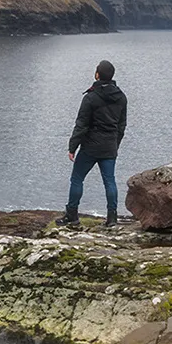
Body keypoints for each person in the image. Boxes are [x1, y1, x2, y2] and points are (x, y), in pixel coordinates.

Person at [58, 58, 127, 229]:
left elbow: (81, 125)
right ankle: (112, 218)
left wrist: (72, 146)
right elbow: (121, 125)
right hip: (109, 146)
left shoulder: (91, 97)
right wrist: (115, 143)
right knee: (110, 181)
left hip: (90, 147)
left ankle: (72, 216)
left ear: (97, 75)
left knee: (77, 179)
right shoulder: (121, 97)